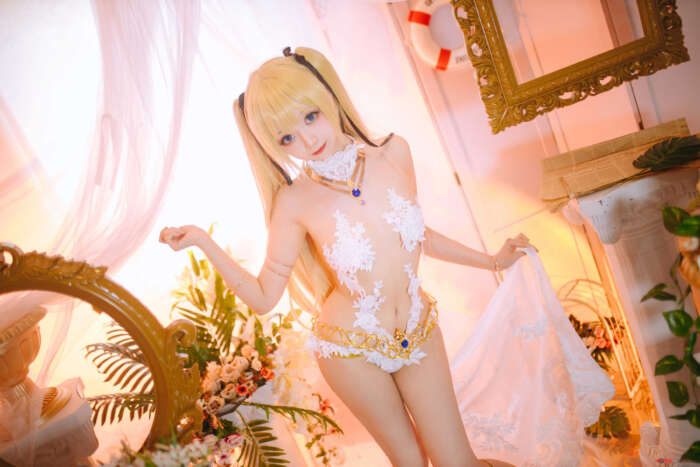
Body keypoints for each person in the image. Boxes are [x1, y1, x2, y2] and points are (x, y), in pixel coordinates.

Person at [160, 46, 532, 467]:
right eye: (286, 138)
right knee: (412, 463)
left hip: (417, 328)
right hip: (349, 350)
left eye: (310, 116)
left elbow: (417, 235)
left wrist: (493, 261)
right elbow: (264, 297)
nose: (307, 141)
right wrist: (203, 242)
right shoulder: (294, 201)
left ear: (328, 95)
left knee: (457, 462)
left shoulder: (394, 153)